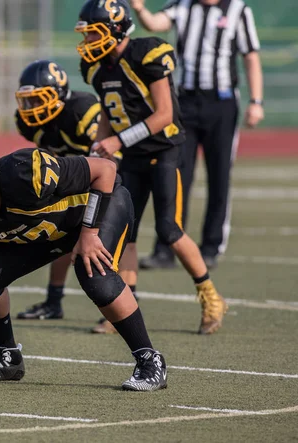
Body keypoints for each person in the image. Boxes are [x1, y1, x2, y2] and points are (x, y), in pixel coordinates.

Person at [0, 144, 167, 393]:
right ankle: (7, 358)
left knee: (94, 274)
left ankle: (150, 360)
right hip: (46, 230)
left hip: (97, 210)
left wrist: (90, 232)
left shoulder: (25, 172)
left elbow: (106, 170)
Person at [75, 0, 227, 334]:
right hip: (131, 156)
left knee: (169, 230)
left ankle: (210, 295)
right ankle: (125, 305)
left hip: (164, 151)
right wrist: (100, 148)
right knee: (126, 235)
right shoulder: (98, 68)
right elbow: (108, 111)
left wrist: (117, 141)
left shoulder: (147, 53)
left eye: (94, 33)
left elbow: (164, 115)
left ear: (115, 30)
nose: (87, 42)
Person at [130, 0, 264, 270]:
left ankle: (211, 246)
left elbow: (250, 56)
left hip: (222, 103)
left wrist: (256, 101)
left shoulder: (238, 9)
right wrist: (140, 9)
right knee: (176, 174)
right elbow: (156, 23)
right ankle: (166, 247)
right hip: (186, 103)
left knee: (219, 175)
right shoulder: (183, 5)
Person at [14, 60, 122, 332]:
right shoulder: (31, 123)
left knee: (104, 243)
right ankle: (53, 301)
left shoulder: (82, 110)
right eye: (28, 101)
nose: (32, 108)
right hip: (74, 186)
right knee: (59, 233)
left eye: (39, 99)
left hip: (106, 183)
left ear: (59, 93)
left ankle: (118, 304)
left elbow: (110, 158)